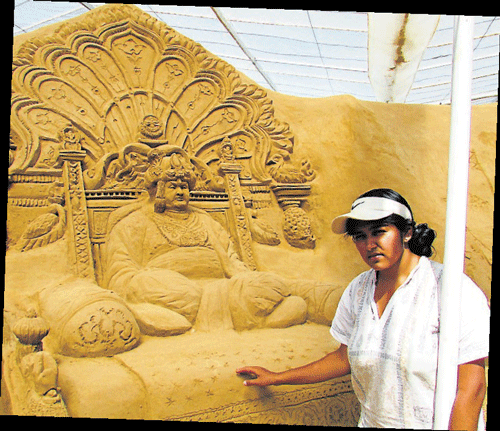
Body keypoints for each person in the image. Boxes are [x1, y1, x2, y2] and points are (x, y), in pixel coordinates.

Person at [236, 188, 489, 430]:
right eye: (360, 236)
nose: (369, 244)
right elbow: (344, 358)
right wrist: (278, 377)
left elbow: (471, 388)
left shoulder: (450, 289)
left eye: (379, 232)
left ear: (407, 233)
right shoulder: (359, 290)